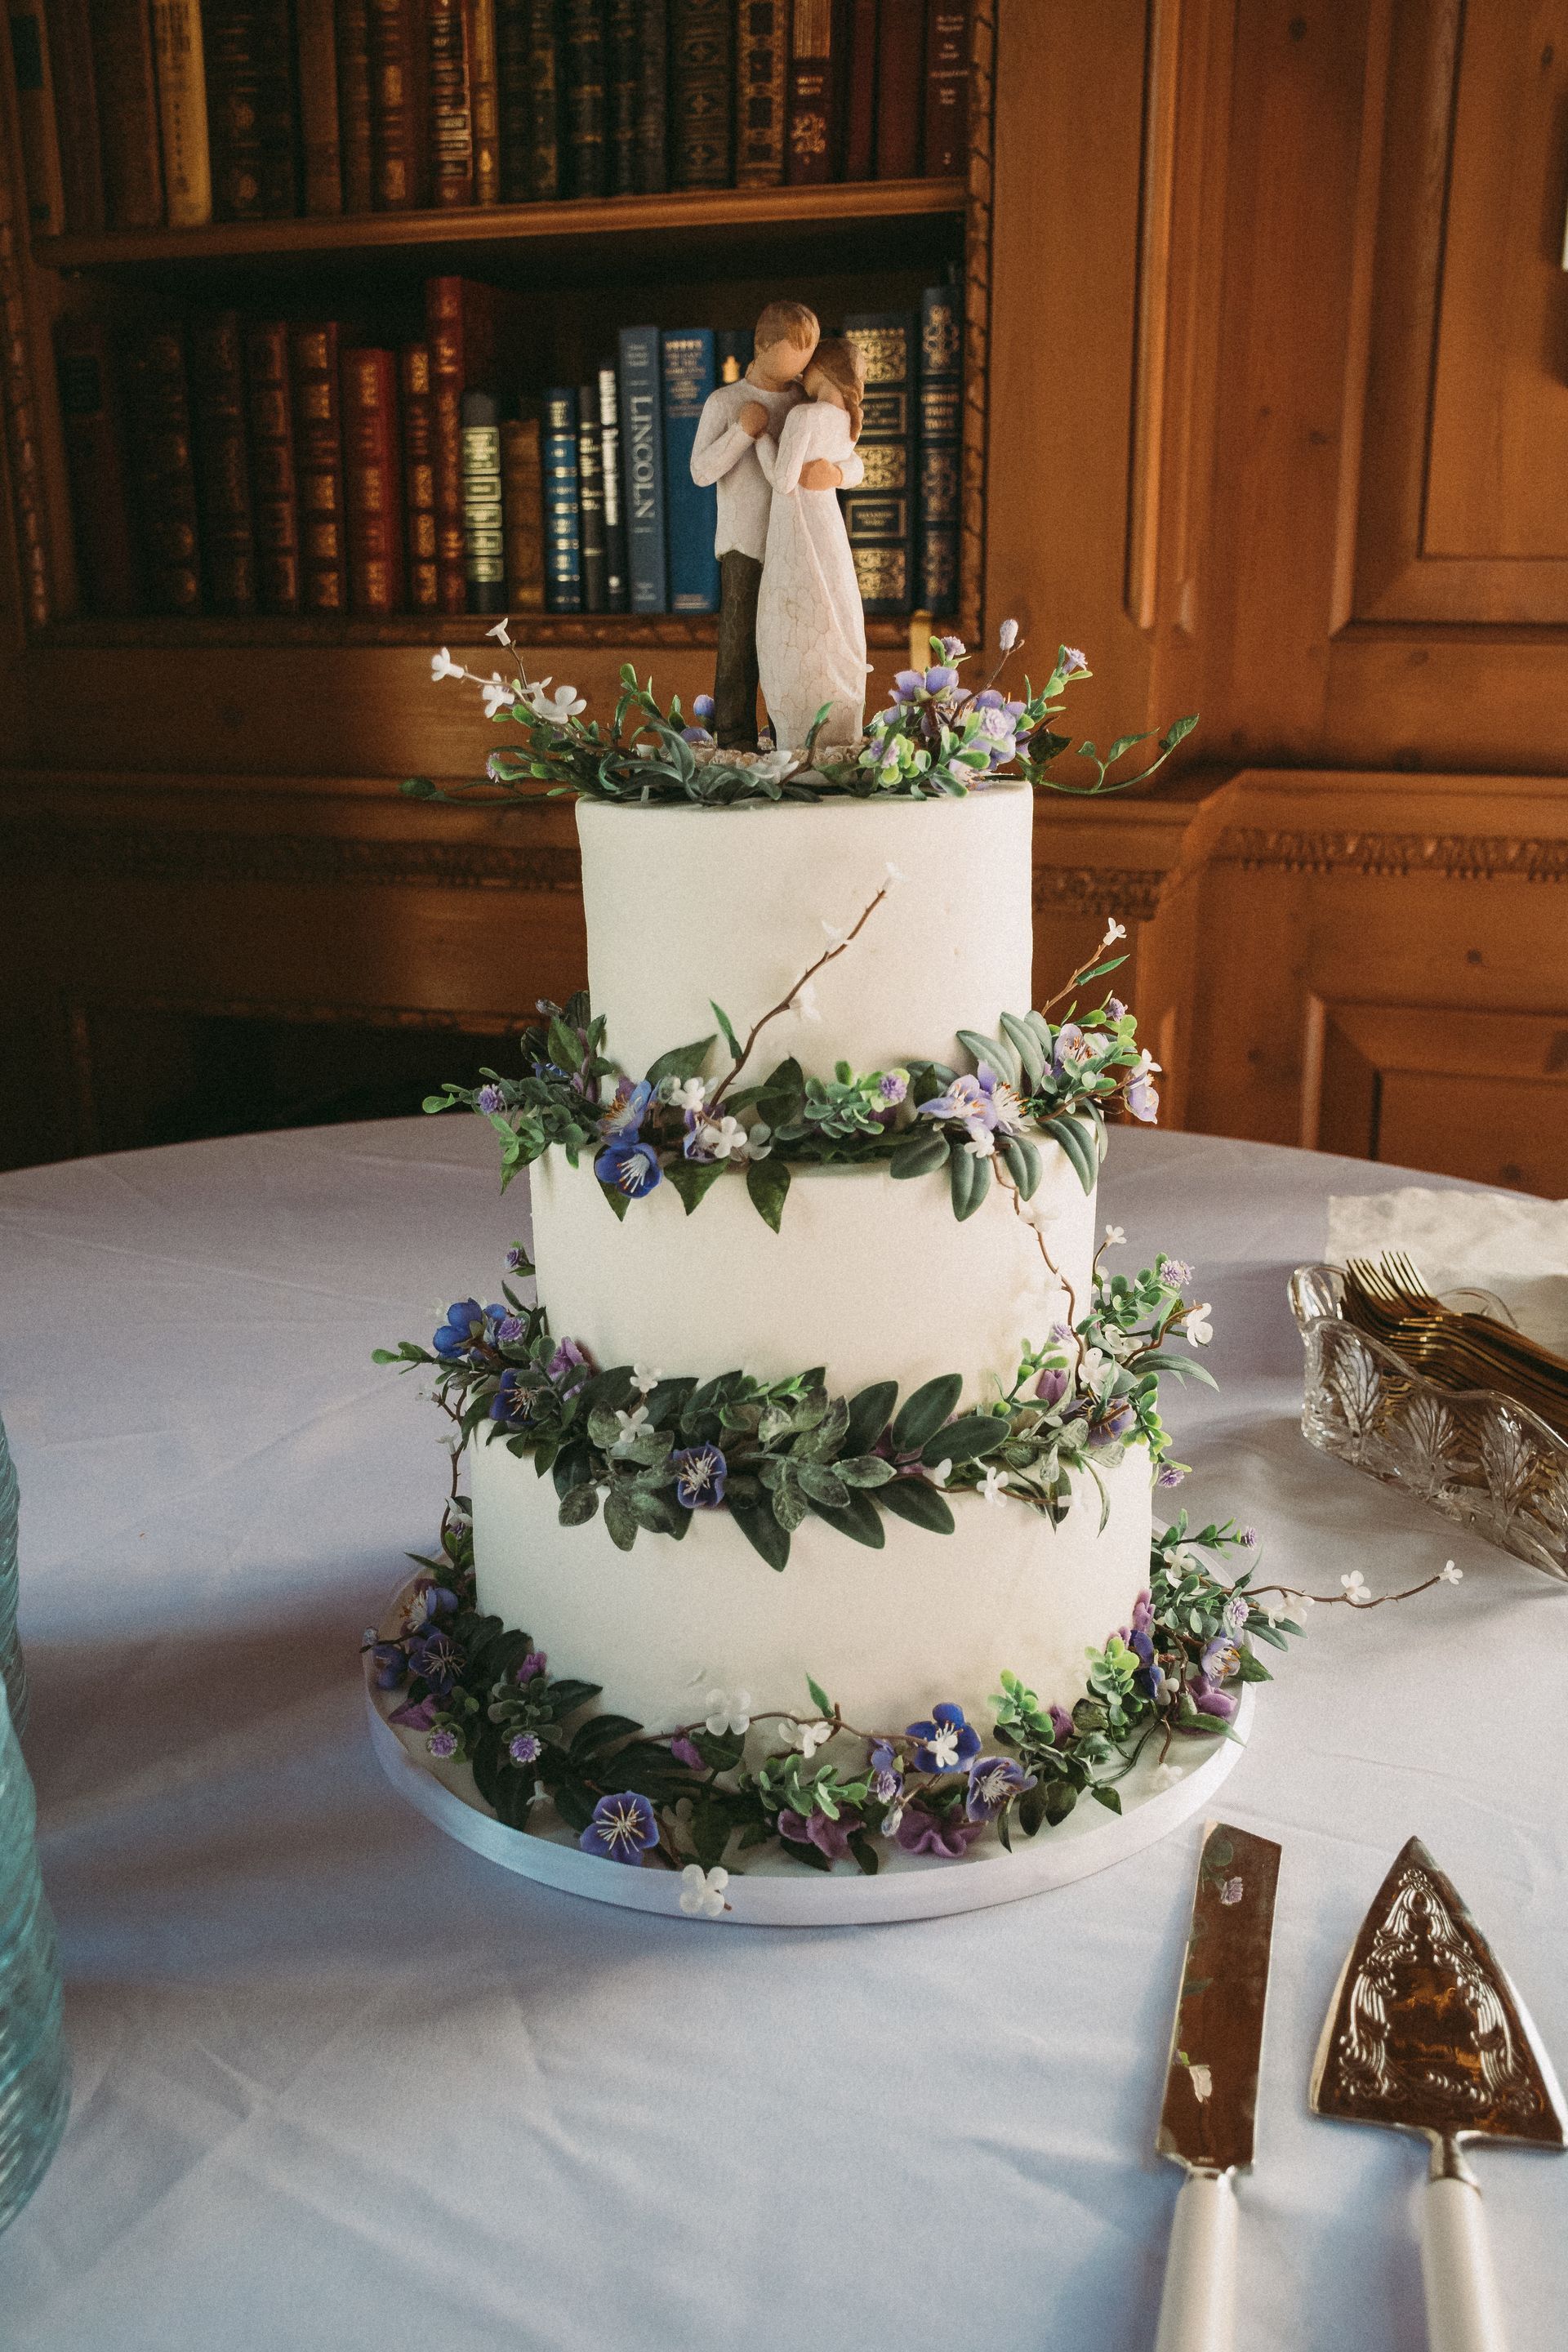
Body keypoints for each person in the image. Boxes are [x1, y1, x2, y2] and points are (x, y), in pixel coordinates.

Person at [688, 300, 863, 750]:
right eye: (797, 352)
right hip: (747, 544)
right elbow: (701, 472)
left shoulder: (802, 403)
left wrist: (839, 475)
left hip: (798, 546)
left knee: (795, 644)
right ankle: (734, 738)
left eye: (810, 356)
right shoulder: (725, 402)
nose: (805, 365)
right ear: (764, 346)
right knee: (740, 643)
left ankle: (791, 734)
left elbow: (850, 457)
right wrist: (742, 433)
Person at [746, 336, 870, 760]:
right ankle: (840, 728)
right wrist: (836, 473)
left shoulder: (804, 415)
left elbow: (783, 481)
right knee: (836, 610)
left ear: (821, 372)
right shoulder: (847, 421)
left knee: (791, 617)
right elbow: (858, 467)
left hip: (796, 525)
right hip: (828, 526)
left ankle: (799, 734)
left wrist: (761, 439)